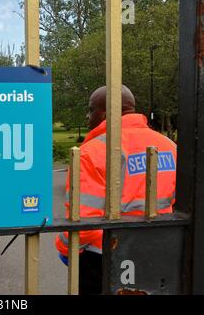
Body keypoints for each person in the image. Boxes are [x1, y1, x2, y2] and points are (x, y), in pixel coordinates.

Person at [56, 85, 177, 295]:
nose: (87, 116)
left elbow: (83, 220)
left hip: (104, 255)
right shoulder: (169, 145)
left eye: (90, 109)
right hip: (160, 249)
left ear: (104, 114)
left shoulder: (91, 152)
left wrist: (65, 249)